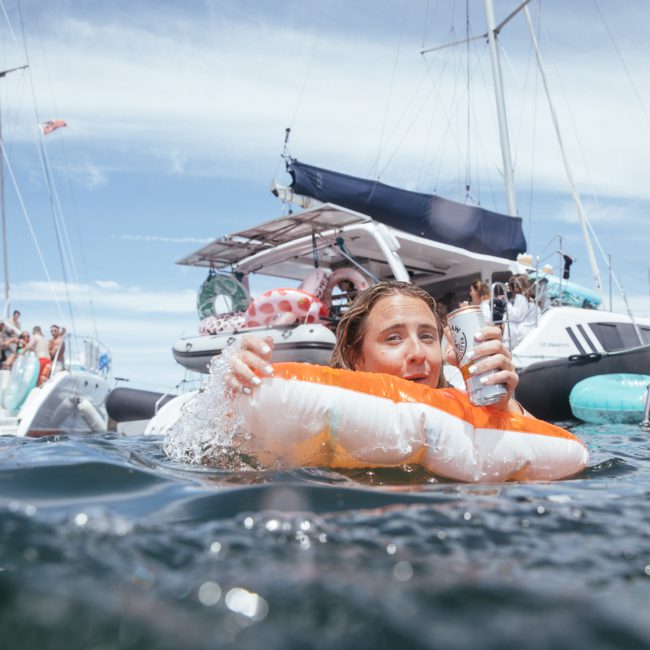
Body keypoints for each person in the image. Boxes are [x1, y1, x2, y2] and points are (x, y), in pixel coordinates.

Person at [227, 280, 526, 416]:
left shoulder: (469, 408)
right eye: (393, 338)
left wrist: (505, 409)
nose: (418, 354)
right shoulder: (323, 413)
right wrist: (235, 392)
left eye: (427, 336)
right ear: (356, 357)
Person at [505, 274, 539, 348]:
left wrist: (506, 304)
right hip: (527, 333)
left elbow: (516, 316)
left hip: (520, 336)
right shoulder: (530, 300)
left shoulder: (520, 298)